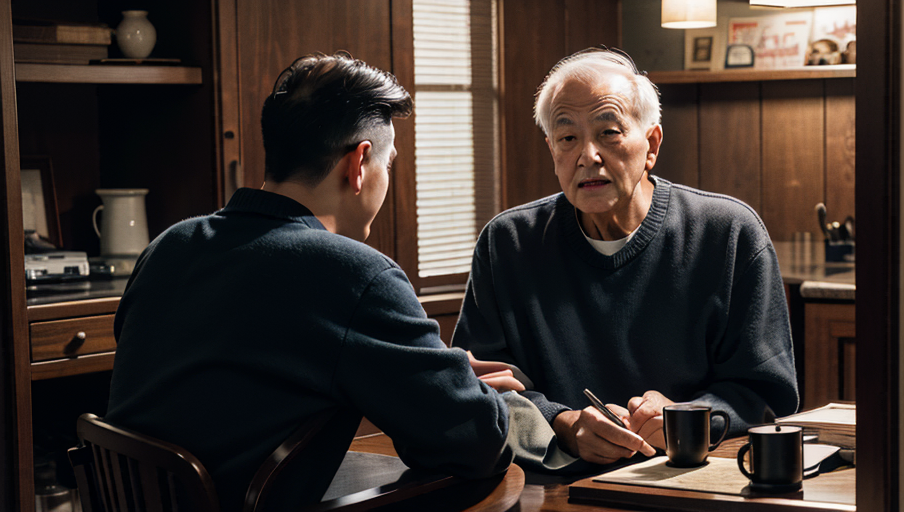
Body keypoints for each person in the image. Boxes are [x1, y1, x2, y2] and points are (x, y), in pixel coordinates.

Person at [106, 52, 513, 511]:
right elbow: (476, 445)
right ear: (358, 163)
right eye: (389, 163)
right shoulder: (353, 273)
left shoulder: (169, 246)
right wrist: (463, 389)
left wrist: (435, 372)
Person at [452, 47, 798, 470]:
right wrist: (564, 423)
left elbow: (768, 391)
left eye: (609, 133)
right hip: (553, 487)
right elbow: (477, 388)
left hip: (690, 475)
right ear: (552, 151)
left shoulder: (728, 233)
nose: (588, 156)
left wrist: (688, 416)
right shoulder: (507, 243)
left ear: (651, 144)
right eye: (567, 138)